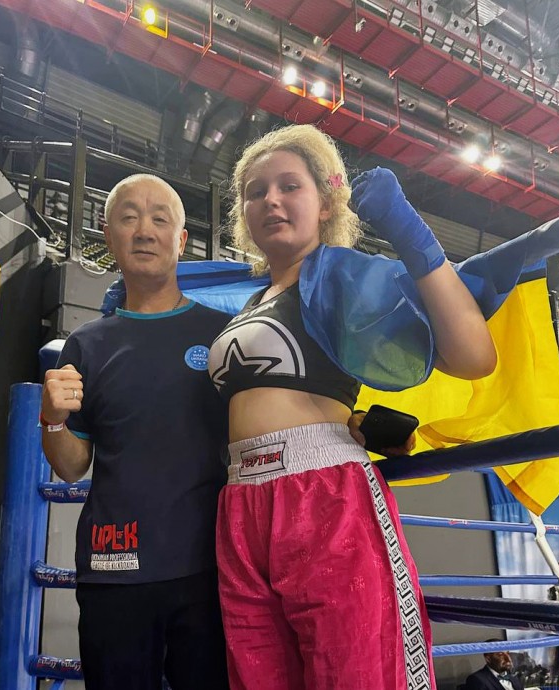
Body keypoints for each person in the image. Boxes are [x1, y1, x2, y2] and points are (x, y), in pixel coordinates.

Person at [207, 124, 497, 690]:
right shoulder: (250, 302)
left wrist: (409, 231)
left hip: (324, 494)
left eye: (289, 185)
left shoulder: (344, 279)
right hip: (242, 504)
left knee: (358, 674)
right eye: (256, 191)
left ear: (325, 202)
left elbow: (473, 356)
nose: (271, 199)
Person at [39, 174, 232, 690]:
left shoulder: (222, 336)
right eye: (128, 217)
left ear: (181, 240)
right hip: (113, 567)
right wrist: (52, 418)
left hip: (209, 570)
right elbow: (71, 466)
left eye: (159, 218)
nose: (144, 230)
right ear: (108, 235)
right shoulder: (86, 344)